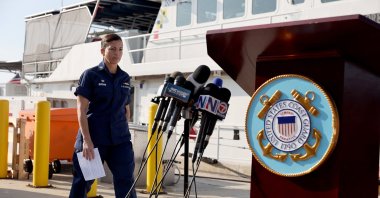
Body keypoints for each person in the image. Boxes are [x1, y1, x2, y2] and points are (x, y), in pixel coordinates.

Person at [69, 33, 136, 198]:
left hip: (120, 142)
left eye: (120, 49)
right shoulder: (90, 75)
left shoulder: (125, 78)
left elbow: (126, 109)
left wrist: (123, 129)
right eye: (112, 49)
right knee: (82, 183)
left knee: (126, 182)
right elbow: (81, 110)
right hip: (94, 140)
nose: (117, 53)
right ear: (102, 51)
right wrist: (86, 141)